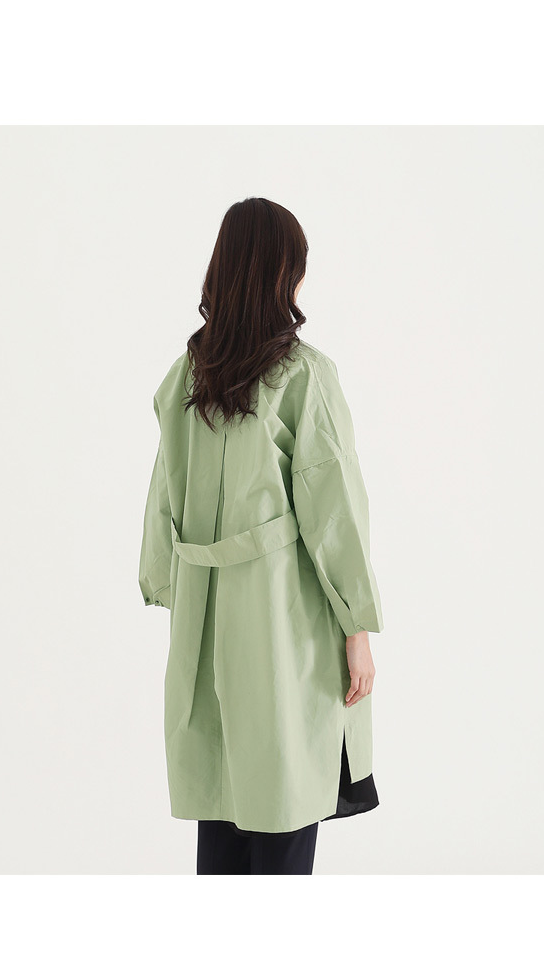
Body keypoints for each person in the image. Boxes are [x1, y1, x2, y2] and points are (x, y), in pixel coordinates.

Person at [139, 190, 382, 868]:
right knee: (286, 795)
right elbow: (334, 509)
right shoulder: (304, 376)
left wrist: (167, 585)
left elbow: (162, 497)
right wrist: (357, 628)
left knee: (221, 808)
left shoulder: (186, 376)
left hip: (204, 624)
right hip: (281, 619)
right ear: (282, 275)